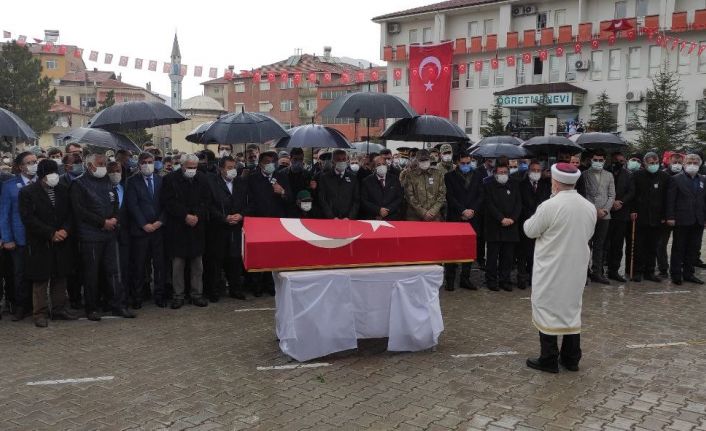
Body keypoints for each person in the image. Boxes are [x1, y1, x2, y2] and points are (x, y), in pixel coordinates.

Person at [524, 163, 597, 373]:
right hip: (576, 267)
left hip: (552, 268)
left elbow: (530, 230)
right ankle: (571, 358)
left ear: (555, 182)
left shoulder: (550, 205)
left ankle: (548, 358)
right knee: (571, 309)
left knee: (547, 308)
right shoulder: (588, 206)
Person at [70, 154, 135, 320]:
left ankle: (117, 305)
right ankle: (91, 307)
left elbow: (114, 202)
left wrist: (114, 218)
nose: (103, 167)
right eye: (100, 164)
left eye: (104, 164)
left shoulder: (107, 181)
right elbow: (80, 211)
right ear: (90, 166)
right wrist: (101, 222)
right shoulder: (78, 183)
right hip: (90, 236)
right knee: (91, 273)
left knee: (113, 271)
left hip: (109, 234)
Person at [18, 159, 78, 327]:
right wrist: (50, 233)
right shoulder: (28, 192)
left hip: (62, 240)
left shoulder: (63, 189)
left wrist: (65, 230)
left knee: (60, 276)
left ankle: (59, 309)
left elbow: (70, 214)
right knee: (41, 279)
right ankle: (40, 313)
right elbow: (28, 219)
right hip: (40, 241)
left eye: (55, 172)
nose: (54, 176)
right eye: (50, 173)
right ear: (42, 175)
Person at [161, 154, 211, 308]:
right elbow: (168, 202)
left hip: (197, 227)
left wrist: (197, 215)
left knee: (197, 264)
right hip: (178, 227)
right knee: (178, 265)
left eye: (194, 167)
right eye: (189, 167)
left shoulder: (202, 178)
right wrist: (185, 215)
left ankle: (197, 294)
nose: (192, 170)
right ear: (182, 166)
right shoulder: (170, 179)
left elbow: (207, 200)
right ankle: (178, 295)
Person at [245, 151, 291, 296]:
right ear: (260, 164)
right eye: (267, 162)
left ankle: (271, 284)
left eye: (273, 161)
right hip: (258, 222)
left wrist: (282, 192)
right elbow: (249, 200)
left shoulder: (282, 177)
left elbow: (290, 199)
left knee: (274, 255)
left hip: (277, 222)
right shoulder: (252, 179)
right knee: (259, 255)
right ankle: (257, 285)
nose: (270, 164)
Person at [126, 152, 167, 308]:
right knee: (139, 266)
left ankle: (159, 295)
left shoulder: (160, 180)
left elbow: (165, 204)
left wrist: (160, 222)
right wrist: (144, 224)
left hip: (158, 230)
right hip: (140, 231)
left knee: (159, 265)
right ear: (139, 164)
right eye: (145, 162)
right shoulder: (132, 181)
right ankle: (137, 297)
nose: (148, 164)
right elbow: (133, 206)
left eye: (151, 161)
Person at [0, 151, 37, 321]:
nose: (33, 165)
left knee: (38, 272)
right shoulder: (9, 186)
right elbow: (4, 214)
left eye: (35, 161)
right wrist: (7, 238)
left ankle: (39, 306)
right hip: (19, 237)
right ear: (21, 166)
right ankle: (22, 306)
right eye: (29, 162)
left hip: (39, 236)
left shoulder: (42, 182)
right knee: (19, 273)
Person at [206, 156, 247, 301]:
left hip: (236, 227)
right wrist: (224, 218)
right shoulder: (212, 183)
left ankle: (236, 289)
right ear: (221, 169)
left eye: (234, 167)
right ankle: (215, 291)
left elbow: (247, 203)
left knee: (235, 260)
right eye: (229, 168)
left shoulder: (241, 183)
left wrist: (241, 215)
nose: (232, 171)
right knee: (216, 261)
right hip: (219, 228)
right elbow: (209, 205)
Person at [443, 152, 483, 291]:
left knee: (468, 249)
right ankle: (450, 279)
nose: (466, 165)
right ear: (458, 163)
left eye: (468, 163)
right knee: (452, 250)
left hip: (472, 217)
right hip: (456, 217)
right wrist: (462, 211)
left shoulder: (477, 175)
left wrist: (472, 210)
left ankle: (465, 278)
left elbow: (480, 195)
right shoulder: (449, 176)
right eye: (463, 163)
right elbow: (450, 196)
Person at [666, 154, 706, 285]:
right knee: (679, 248)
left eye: (695, 163)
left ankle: (689, 273)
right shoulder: (676, 179)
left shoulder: (703, 180)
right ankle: (676, 274)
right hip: (681, 219)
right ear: (684, 164)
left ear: (699, 165)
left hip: (698, 219)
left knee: (693, 248)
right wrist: (670, 217)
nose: (692, 165)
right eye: (690, 162)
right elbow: (670, 200)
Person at [630, 152, 670, 282]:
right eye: (651, 163)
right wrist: (633, 210)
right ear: (645, 163)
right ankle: (637, 272)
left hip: (657, 217)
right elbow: (633, 195)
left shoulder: (664, 176)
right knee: (639, 246)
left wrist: (665, 215)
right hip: (641, 216)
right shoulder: (637, 175)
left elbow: (666, 198)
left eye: (656, 163)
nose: (654, 165)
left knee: (653, 246)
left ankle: (650, 271)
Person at [578, 151, 615, 285]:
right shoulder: (584, 175)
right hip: (589, 214)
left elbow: (611, 195)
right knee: (587, 244)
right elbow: (583, 194)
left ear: (604, 161)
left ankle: (597, 273)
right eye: (595, 159)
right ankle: (584, 272)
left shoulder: (609, 175)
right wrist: (593, 210)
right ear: (591, 160)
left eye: (600, 160)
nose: (598, 162)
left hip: (605, 215)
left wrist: (605, 210)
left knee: (600, 245)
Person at [483, 164, 521, 291]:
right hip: (494, 225)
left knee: (508, 256)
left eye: (505, 172)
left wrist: (513, 219)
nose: (503, 174)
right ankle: (491, 280)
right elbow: (489, 204)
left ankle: (505, 280)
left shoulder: (514, 185)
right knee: (493, 256)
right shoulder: (488, 186)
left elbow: (518, 204)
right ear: (495, 173)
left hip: (511, 226)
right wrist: (501, 218)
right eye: (501, 172)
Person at [516, 160, 551, 290]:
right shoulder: (521, 185)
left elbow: (547, 202)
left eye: (538, 171)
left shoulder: (545, 185)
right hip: (525, 222)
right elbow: (520, 203)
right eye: (533, 170)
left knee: (536, 253)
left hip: (540, 223)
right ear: (528, 171)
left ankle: (534, 277)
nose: (536, 173)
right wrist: (531, 216)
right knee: (523, 252)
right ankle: (521, 277)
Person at [606, 152, 635, 282]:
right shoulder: (606, 172)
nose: (619, 162)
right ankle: (599, 270)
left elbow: (631, 191)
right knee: (604, 243)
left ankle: (614, 270)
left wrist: (620, 202)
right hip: (606, 212)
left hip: (621, 213)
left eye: (621, 161)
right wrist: (610, 202)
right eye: (616, 160)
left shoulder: (629, 175)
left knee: (617, 245)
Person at [656, 152, 685, 277]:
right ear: (669, 162)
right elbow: (660, 197)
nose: (677, 165)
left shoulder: (685, 176)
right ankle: (663, 268)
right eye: (675, 162)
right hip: (665, 216)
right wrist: (663, 216)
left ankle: (678, 267)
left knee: (679, 244)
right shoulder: (663, 175)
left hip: (681, 216)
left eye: (680, 162)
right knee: (661, 244)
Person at [403, 149, 446, 221]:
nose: (424, 162)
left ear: (429, 159)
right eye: (421, 160)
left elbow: (442, 194)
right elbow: (409, 196)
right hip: (415, 216)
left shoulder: (438, 174)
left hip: (434, 216)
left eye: (426, 160)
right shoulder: (410, 176)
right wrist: (423, 212)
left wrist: (433, 211)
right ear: (417, 161)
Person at [318, 149, 359, 220]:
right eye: (338, 160)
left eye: (344, 159)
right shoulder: (324, 178)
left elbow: (356, 200)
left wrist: (350, 217)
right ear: (333, 161)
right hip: (330, 219)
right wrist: (331, 217)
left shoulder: (353, 178)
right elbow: (322, 199)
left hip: (348, 220)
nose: (342, 162)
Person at [360, 155, 403, 221]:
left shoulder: (394, 179)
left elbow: (399, 198)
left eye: (383, 164)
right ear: (374, 167)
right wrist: (378, 210)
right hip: (373, 218)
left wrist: (387, 210)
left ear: (386, 165)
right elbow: (364, 200)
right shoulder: (367, 181)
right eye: (378, 164)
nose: (382, 166)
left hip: (392, 217)